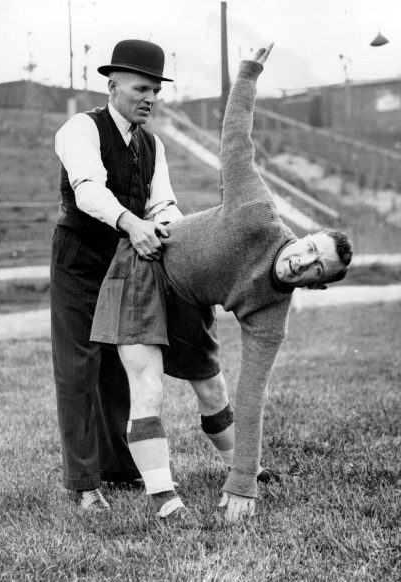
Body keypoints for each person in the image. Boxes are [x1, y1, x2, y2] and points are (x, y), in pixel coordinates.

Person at [90, 42, 353, 523]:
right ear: (304, 236)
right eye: (310, 248)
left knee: (217, 392)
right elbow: (236, 138)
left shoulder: (273, 313)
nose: (304, 261)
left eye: (318, 268)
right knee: (148, 388)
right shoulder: (258, 212)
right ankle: (164, 500)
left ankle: (238, 468)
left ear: (317, 285)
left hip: (191, 300)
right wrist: (249, 72)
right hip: (146, 266)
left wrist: (244, 481)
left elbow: (255, 392)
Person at [51, 39, 182, 511]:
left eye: (155, 91)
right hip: (81, 258)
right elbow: (88, 190)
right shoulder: (81, 128)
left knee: (118, 365)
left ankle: (120, 467)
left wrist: (171, 229)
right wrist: (132, 223)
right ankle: (84, 483)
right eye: (140, 89)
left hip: (125, 262)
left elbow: (162, 203)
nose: (149, 99)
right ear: (112, 86)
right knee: (78, 367)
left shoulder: (152, 142)